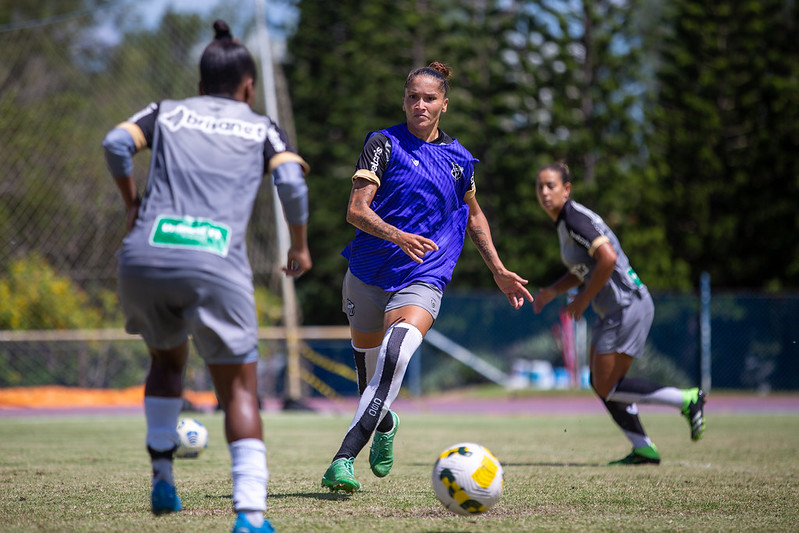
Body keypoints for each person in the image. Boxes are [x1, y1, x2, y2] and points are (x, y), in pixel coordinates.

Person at [102, 20, 311, 533]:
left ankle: (162, 480)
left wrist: (133, 204)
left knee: (166, 362)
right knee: (238, 390)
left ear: (199, 87)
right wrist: (300, 246)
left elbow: (114, 143)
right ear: (248, 87)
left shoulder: (167, 113)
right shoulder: (260, 125)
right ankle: (250, 515)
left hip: (146, 257)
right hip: (214, 260)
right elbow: (290, 180)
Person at [321, 61, 533, 492]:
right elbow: (355, 210)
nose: (420, 104)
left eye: (429, 98)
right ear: (404, 101)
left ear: (444, 105)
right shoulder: (382, 144)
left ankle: (343, 459)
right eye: (413, 97)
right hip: (367, 274)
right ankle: (385, 423)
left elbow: (474, 217)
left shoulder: (460, 161)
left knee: (396, 355)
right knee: (371, 378)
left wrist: (498, 270)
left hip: (424, 274)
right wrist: (397, 235)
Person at [532, 161, 706, 465]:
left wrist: (583, 300)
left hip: (627, 306)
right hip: (613, 310)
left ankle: (687, 400)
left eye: (551, 186)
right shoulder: (566, 221)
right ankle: (643, 448)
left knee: (608, 386)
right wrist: (552, 292)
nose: (545, 192)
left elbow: (608, 258)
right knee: (602, 385)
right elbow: (585, 268)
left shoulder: (573, 218)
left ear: (567, 189)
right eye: (540, 187)